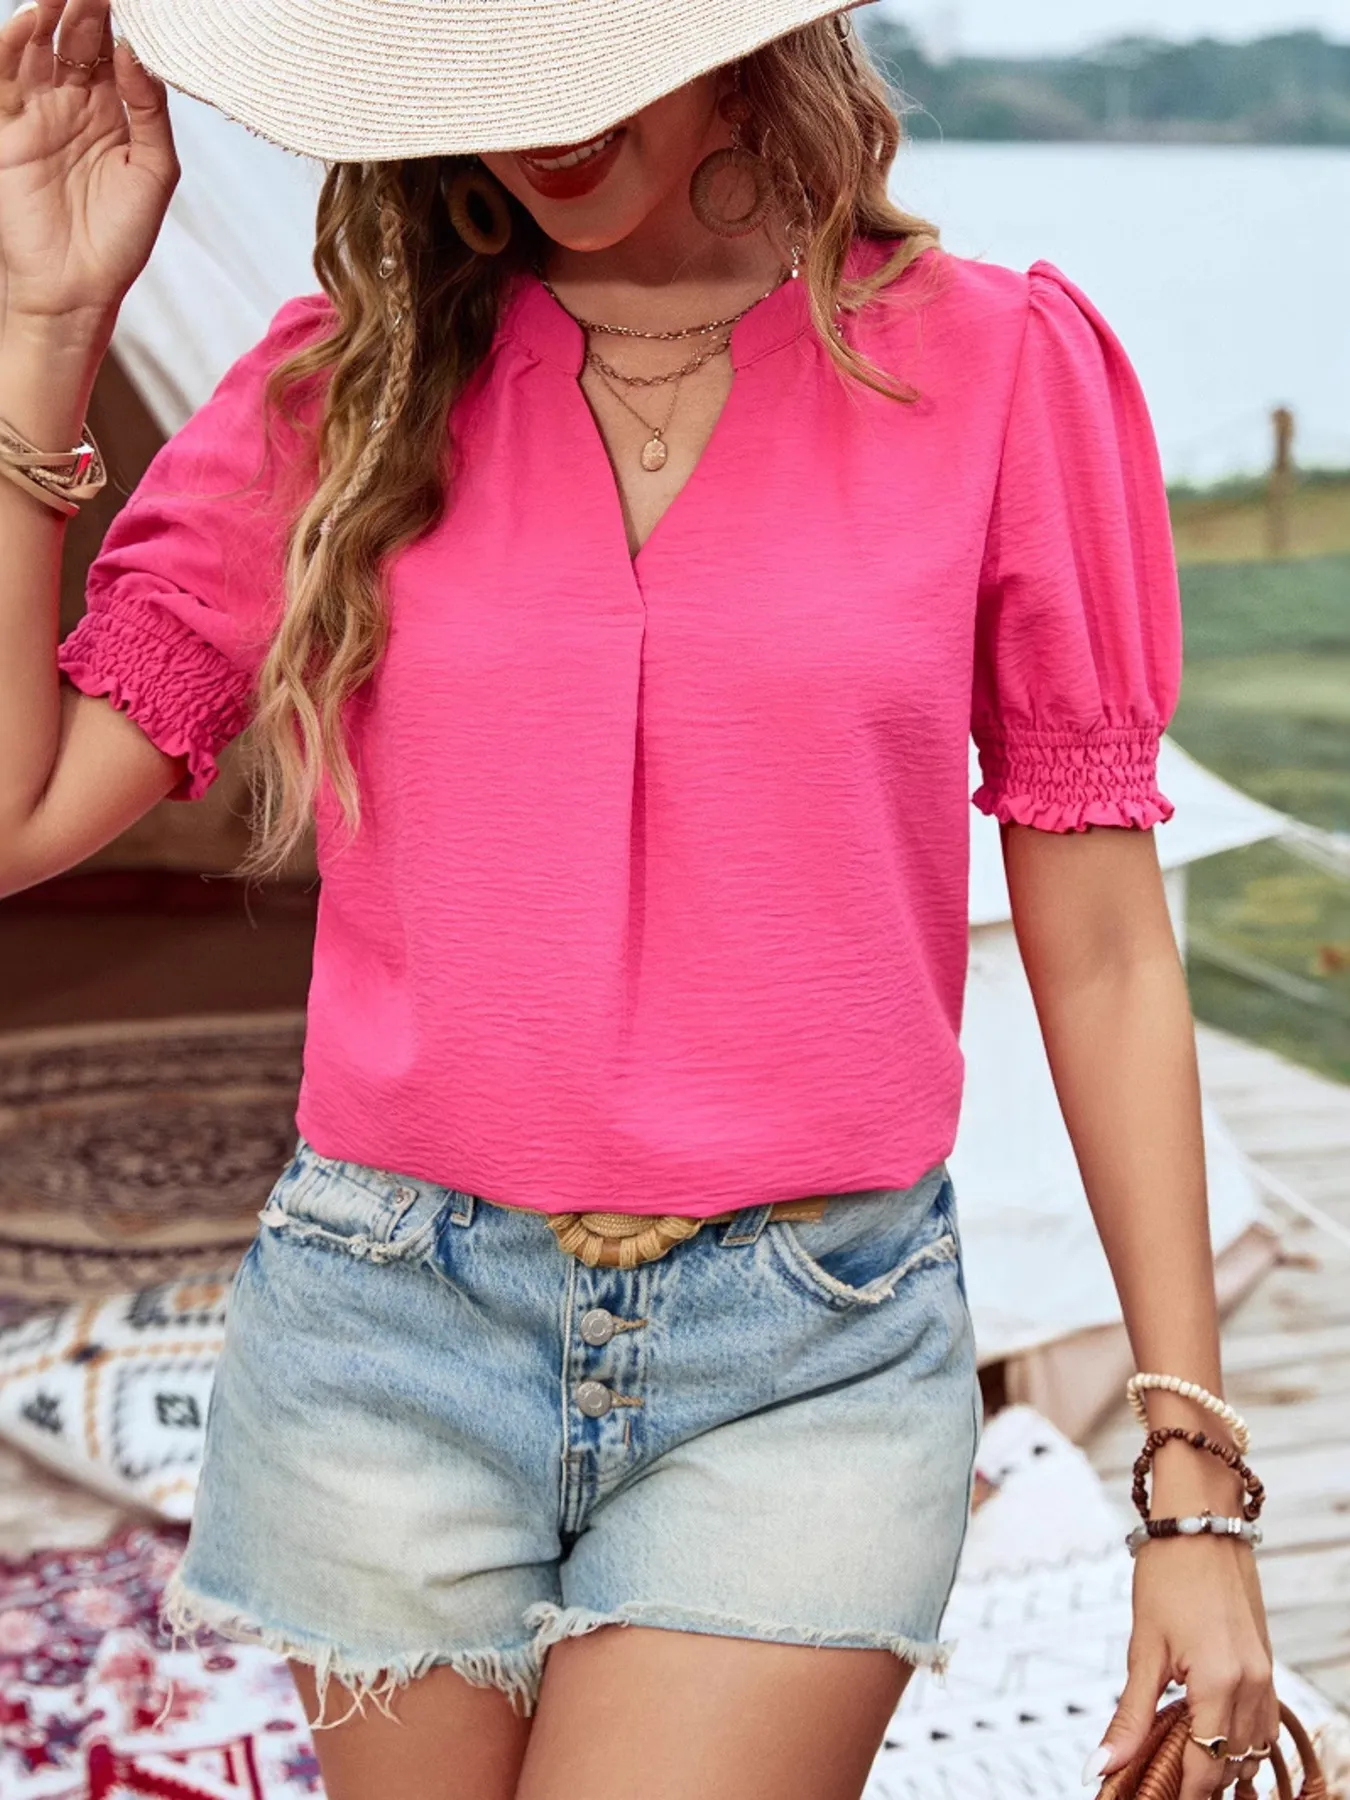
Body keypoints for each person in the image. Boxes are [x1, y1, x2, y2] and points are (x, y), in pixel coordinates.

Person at [0, 0, 1281, 1795]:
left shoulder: (996, 370)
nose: (537, 111)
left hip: (807, 1354)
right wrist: (45, 326)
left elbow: (1108, 954)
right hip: (385, 1331)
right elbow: (22, 814)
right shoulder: (340, 390)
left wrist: (1191, 1485)